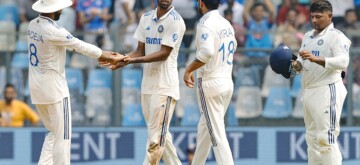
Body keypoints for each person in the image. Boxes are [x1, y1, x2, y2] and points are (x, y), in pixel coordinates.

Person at [28, 0, 122, 164]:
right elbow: (80, 46)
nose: (62, 11)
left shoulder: (32, 25)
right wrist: (106, 54)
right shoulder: (53, 30)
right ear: (52, 10)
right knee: (63, 137)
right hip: (55, 89)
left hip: (37, 88)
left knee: (52, 133)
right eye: (60, 9)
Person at [101, 0, 186, 164]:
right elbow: (140, 50)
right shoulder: (146, 17)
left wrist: (131, 62)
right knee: (162, 136)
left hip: (164, 87)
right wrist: (123, 58)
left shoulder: (176, 21)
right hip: (147, 86)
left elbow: (164, 53)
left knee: (155, 139)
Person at [270, 1, 351, 164]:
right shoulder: (307, 36)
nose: (314, 20)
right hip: (309, 90)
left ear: (330, 16)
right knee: (312, 139)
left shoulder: (337, 36)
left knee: (326, 139)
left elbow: (343, 61)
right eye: (312, 16)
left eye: (319, 17)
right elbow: (301, 64)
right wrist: (291, 66)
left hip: (328, 89)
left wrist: (317, 59)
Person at [183, 0, 237, 164]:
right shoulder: (225, 22)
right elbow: (233, 45)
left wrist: (189, 69)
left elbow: (206, 52)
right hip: (227, 80)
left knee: (217, 134)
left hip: (210, 83)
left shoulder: (205, 23)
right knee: (205, 129)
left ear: (201, 3)